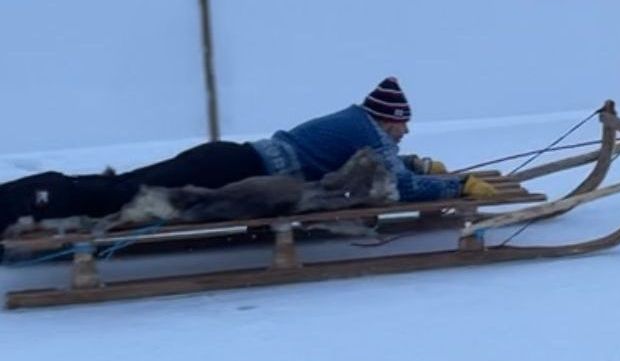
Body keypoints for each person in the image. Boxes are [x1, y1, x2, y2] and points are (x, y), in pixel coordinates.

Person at [0, 77, 498, 235]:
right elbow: (397, 186)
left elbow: (381, 166)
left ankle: (30, 202)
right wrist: (457, 186)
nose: (406, 131)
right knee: (122, 195)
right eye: (403, 124)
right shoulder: (365, 129)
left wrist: (420, 165)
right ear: (388, 118)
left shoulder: (358, 126)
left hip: (230, 160)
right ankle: (23, 203)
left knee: (122, 188)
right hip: (234, 171)